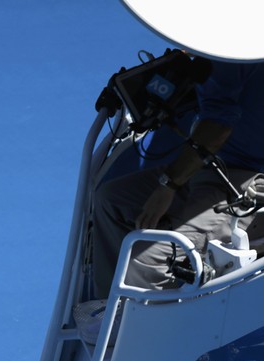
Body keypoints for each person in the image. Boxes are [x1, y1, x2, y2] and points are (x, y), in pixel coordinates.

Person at [91, 59, 264, 299]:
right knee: (111, 200)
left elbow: (217, 127)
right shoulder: (216, 49)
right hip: (207, 165)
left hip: (246, 180)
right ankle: (107, 308)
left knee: (145, 261)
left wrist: (168, 185)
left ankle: (135, 328)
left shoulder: (232, 53)